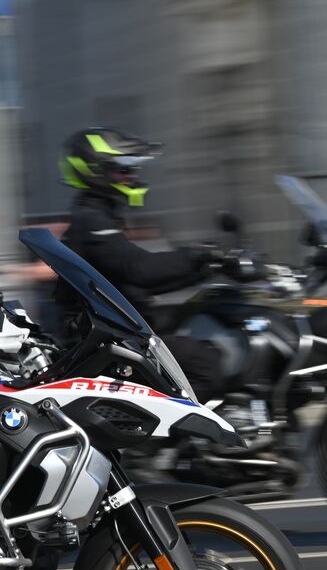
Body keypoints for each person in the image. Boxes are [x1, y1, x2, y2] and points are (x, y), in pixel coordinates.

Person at [55, 127, 236, 401]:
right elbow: (140, 269)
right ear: (94, 172)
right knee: (206, 363)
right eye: (122, 169)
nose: (132, 176)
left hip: (126, 334)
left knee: (207, 316)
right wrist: (202, 253)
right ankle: (183, 439)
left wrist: (211, 269)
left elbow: (139, 284)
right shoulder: (90, 221)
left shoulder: (100, 217)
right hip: (109, 344)